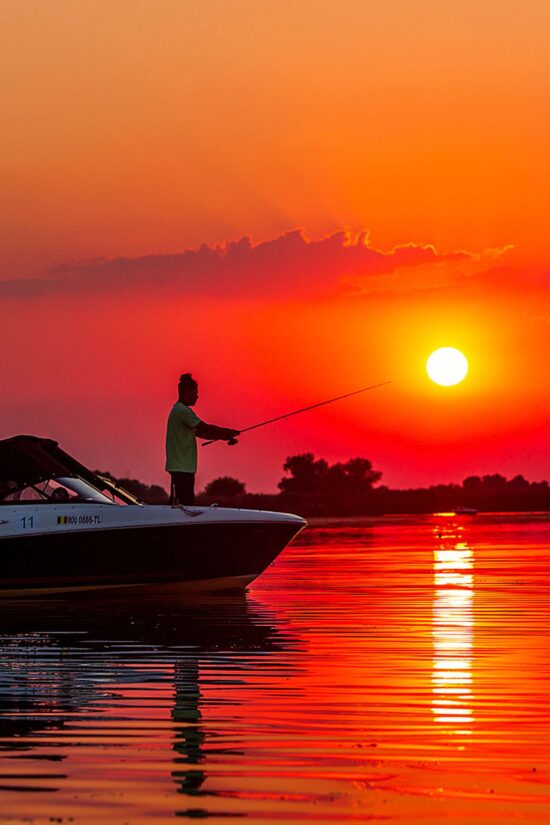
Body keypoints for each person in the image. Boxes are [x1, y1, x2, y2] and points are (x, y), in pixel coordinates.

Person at [165, 373, 240, 505]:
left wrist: (223, 436)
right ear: (187, 392)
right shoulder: (183, 411)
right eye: (195, 392)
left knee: (182, 503)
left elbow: (201, 433)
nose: (197, 396)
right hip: (182, 467)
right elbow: (205, 427)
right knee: (186, 504)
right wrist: (228, 431)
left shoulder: (178, 410)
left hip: (182, 466)